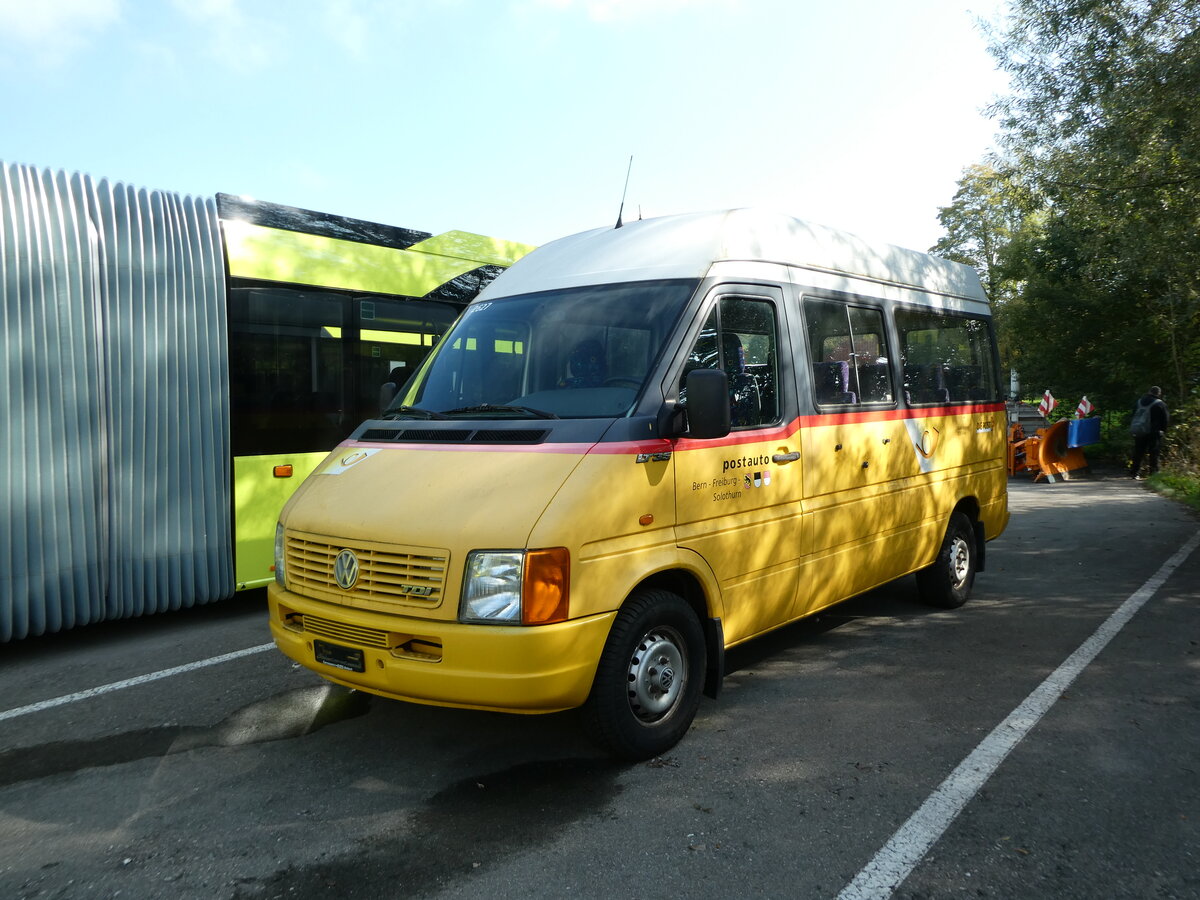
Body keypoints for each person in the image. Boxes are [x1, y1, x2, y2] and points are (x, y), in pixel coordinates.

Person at [1129, 385, 1170, 478]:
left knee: (1138, 452)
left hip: (1139, 430)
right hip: (1154, 432)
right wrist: (1163, 430)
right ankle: (1153, 474)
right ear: (1159, 393)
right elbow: (1165, 419)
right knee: (1154, 453)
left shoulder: (1139, 402)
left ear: (1149, 391)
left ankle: (1134, 473)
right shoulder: (1160, 404)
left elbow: (1133, 415)